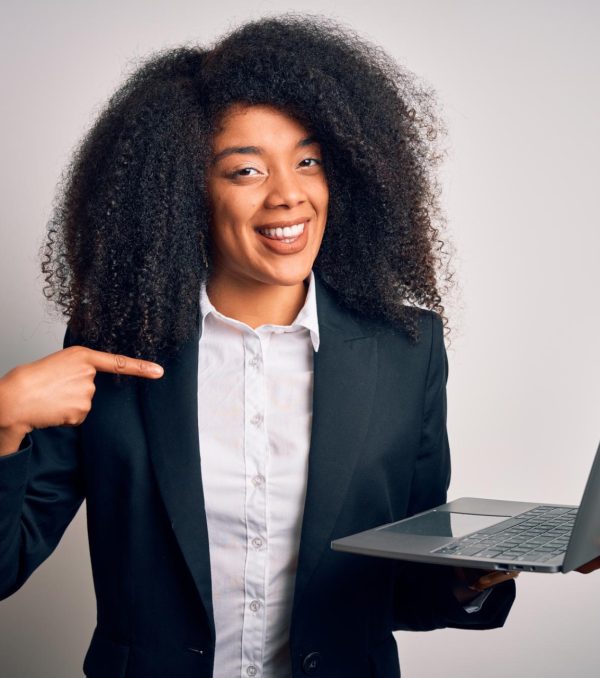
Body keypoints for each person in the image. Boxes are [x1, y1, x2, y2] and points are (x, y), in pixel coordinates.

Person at [1, 13, 597, 678]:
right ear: (181, 193)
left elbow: (394, 588)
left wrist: (479, 570)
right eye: (246, 171)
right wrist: (3, 422)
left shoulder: (406, 348)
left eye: (308, 161)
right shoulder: (109, 350)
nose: (290, 195)